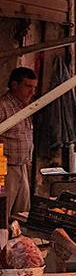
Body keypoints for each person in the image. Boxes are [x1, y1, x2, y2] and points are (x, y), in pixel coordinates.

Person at [0, 67, 36, 218]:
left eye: (34, 87)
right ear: (15, 85)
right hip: (6, 169)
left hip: (22, 166)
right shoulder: (3, 106)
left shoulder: (23, 108)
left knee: (21, 214)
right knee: (4, 213)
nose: (32, 92)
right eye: (28, 86)